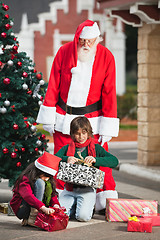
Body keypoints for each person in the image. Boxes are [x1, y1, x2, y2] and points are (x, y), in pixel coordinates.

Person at [36, 19, 120, 211]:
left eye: (90, 40)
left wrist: (108, 124)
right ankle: (57, 201)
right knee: (61, 161)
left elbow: (109, 92)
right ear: (77, 38)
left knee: (101, 163)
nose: (86, 45)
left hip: (94, 121)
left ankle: (104, 200)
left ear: (97, 39)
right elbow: (54, 85)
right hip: (64, 117)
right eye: (82, 40)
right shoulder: (64, 52)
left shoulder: (106, 57)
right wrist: (49, 114)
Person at [55, 117, 119, 222]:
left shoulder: (96, 148)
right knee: (60, 215)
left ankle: (85, 207)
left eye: (84, 133)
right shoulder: (67, 148)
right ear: (72, 134)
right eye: (77, 133)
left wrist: (95, 160)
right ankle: (74, 207)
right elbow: (54, 159)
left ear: (88, 132)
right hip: (69, 189)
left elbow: (114, 161)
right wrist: (67, 159)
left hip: (87, 189)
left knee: (82, 217)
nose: (81, 137)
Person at [10, 152, 61, 226]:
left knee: (48, 185)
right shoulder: (25, 178)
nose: (46, 179)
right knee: (40, 183)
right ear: (38, 171)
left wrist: (56, 205)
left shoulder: (47, 180)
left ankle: (35, 217)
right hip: (22, 207)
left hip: (39, 207)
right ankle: (33, 217)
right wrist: (42, 207)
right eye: (45, 176)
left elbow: (52, 194)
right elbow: (28, 196)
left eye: (49, 177)